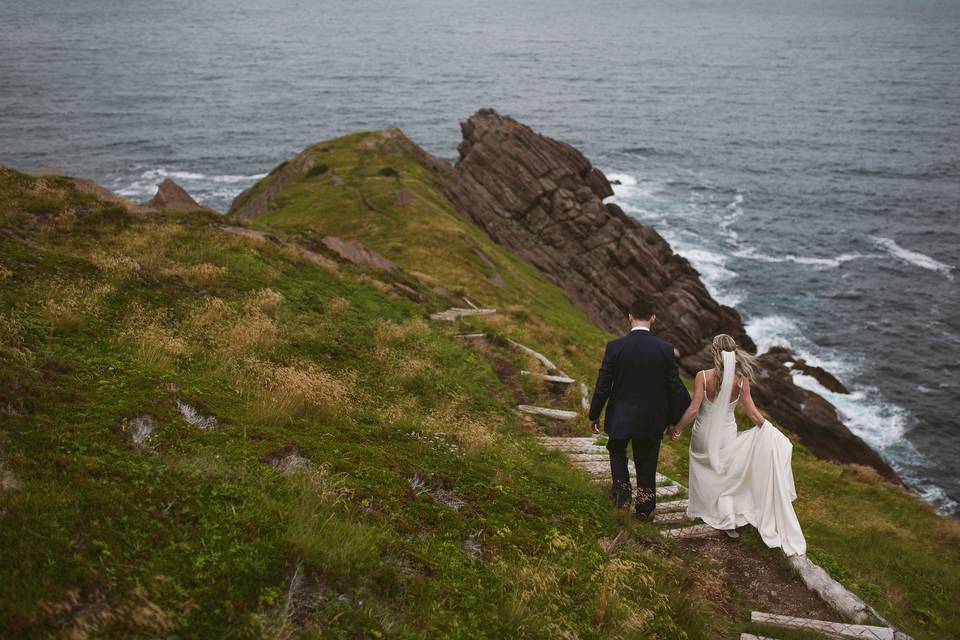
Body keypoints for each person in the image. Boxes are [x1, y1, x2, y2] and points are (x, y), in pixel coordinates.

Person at [669, 334, 806, 556]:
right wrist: (770, 429)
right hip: (727, 434)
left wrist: (677, 428)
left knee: (706, 472)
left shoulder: (702, 377)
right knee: (725, 476)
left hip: (703, 434)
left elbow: (694, 409)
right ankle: (728, 519)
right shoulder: (741, 381)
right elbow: (752, 412)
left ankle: (709, 511)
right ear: (733, 353)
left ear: (715, 352)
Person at [588, 299, 691, 519]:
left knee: (616, 451)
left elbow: (603, 385)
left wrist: (594, 414)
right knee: (646, 461)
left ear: (630, 317)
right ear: (653, 317)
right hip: (652, 418)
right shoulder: (665, 350)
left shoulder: (615, 347)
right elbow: (674, 388)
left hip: (620, 415)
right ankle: (645, 509)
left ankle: (622, 498)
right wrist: (674, 420)